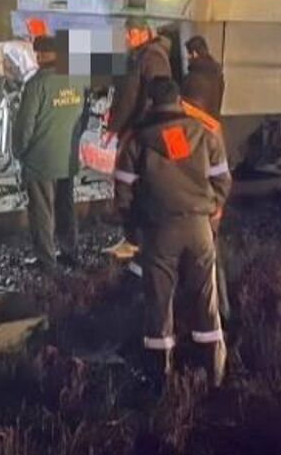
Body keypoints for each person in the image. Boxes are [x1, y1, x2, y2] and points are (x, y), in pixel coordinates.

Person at [113, 77, 232, 389]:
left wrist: (133, 227)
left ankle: (159, 376)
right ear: (180, 100)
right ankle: (212, 370)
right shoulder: (205, 134)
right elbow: (223, 181)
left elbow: (123, 189)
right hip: (199, 228)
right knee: (206, 297)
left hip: (158, 230)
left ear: (152, 102)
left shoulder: (137, 140)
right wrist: (209, 213)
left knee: (159, 300)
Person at [13, 35, 89, 273]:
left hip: (40, 161)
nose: (36, 57)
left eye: (39, 53)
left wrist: (19, 151)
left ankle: (47, 261)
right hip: (66, 157)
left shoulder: (36, 85)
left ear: (45, 55)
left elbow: (25, 124)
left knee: (42, 212)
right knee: (66, 207)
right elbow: (83, 117)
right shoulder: (77, 80)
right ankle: (70, 251)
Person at [103, 16, 172, 258]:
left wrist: (115, 127)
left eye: (130, 33)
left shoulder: (150, 58)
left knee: (133, 186)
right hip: (137, 130)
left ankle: (136, 241)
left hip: (139, 132)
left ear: (143, 33)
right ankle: (134, 238)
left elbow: (134, 97)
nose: (126, 37)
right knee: (133, 185)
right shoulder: (145, 56)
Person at [181, 35, 224, 119]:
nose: (187, 58)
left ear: (194, 53)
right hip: (214, 124)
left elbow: (185, 107)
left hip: (198, 128)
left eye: (189, 54)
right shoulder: (218, 75)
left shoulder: (191, 79)